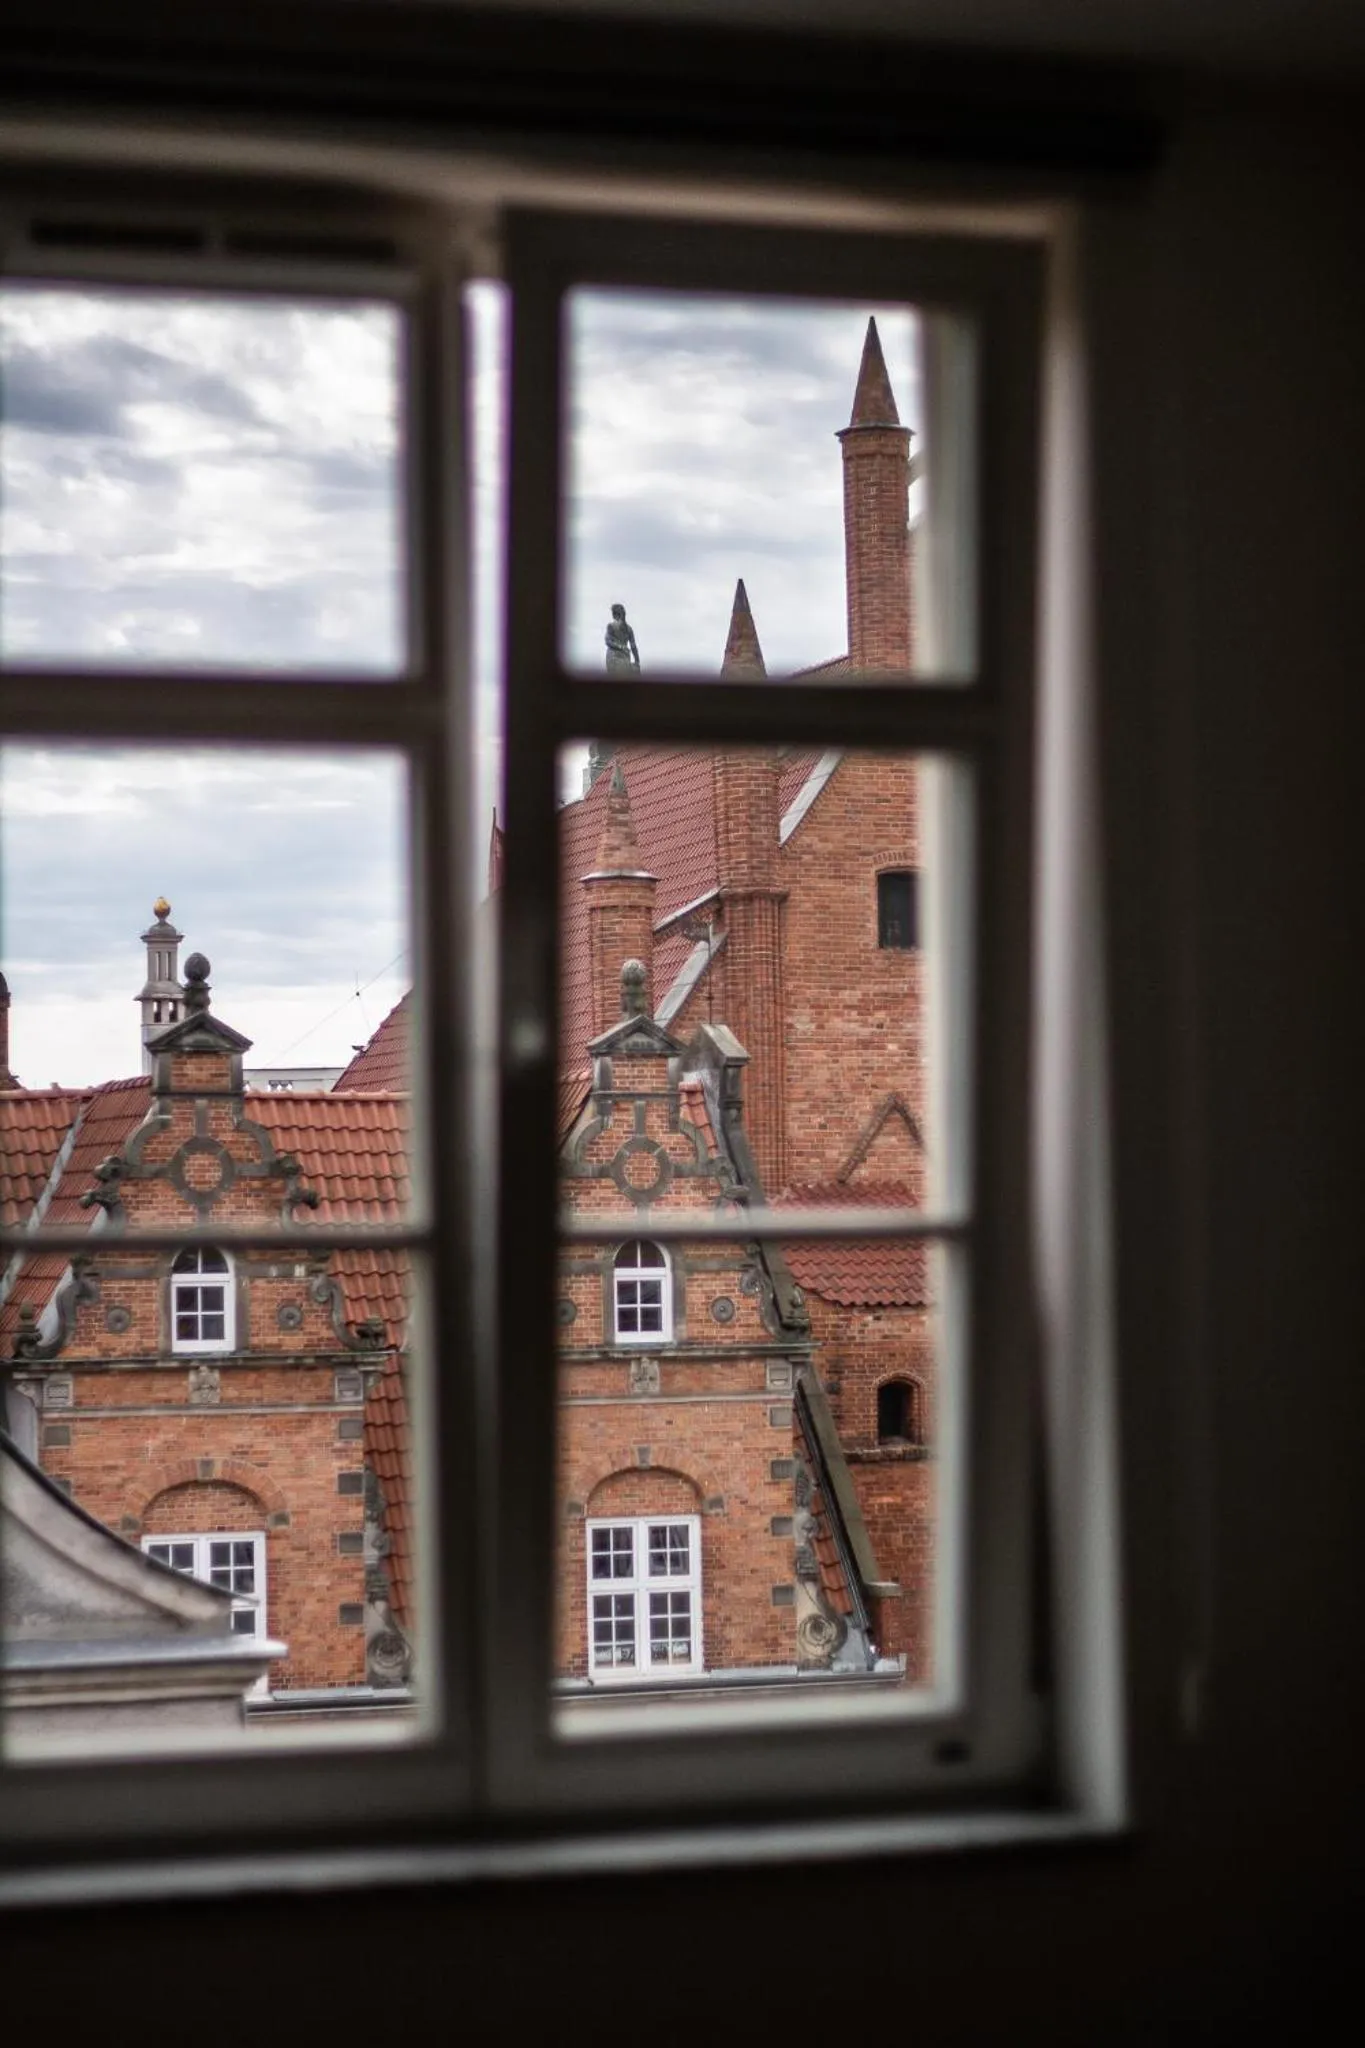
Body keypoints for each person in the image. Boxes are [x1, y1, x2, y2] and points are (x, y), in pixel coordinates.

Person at [604, 603, 640, 674]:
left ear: (614, 615)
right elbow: (633, 646)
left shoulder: (611, 626)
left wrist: (620, 647)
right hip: (625, 658)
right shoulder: (629, 629)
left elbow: (608, 641)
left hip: (613, 659)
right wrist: (637, 661)